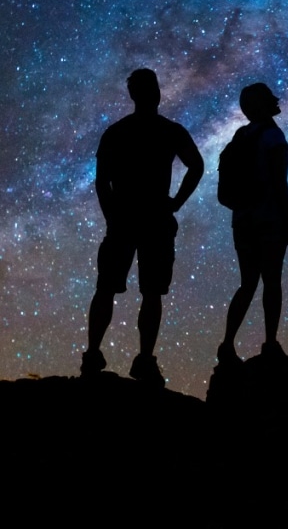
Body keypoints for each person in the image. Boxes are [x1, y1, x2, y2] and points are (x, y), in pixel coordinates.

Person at [81, 68, 204, 386]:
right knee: (150, 291)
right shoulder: (168, 131)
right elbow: (196, 165)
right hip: (153, 217)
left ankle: (95, 355)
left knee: (112, 288)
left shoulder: (117, 132)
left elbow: (102, 182)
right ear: (155, 93)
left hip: (127, 217)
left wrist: (111, 215)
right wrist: (175, 203)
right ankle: (143, 360)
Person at [218, 82, 288, 363]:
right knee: (272, 282)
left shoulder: (241, 135)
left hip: (242, 221)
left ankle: (227, 344)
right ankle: (270, 343)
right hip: (268, 219)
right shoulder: (272, 136)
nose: (276, 101)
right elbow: (279, 182)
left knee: (247, 283)